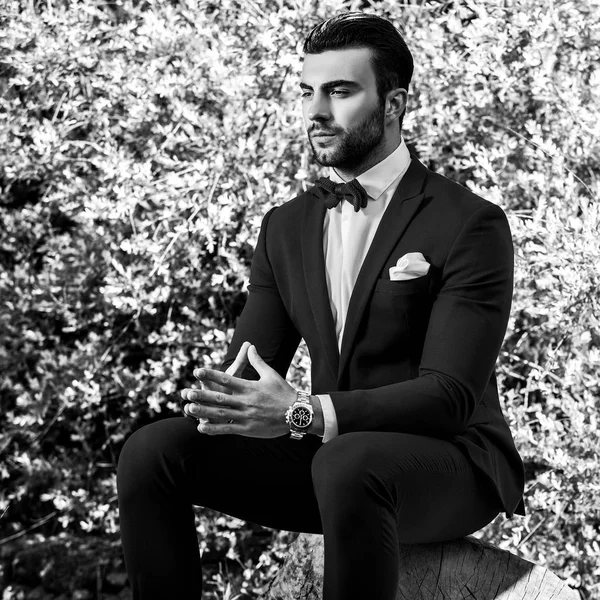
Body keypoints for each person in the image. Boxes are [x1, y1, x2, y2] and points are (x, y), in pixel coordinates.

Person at [117, 12, 525, 600]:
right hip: (335, 462)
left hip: (452, 465)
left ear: (393, 103)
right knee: (153, 452)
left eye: (339, 91)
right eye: (308, 91)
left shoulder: (468, 224)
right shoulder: (285, 227)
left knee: (348, 464)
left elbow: (449, 397)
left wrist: (304, 414)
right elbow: (249, 373)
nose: (315, 111)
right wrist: (223, 403)